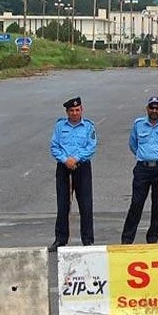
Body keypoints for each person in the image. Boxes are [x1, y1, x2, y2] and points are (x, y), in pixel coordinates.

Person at [121, 96, 158, 244]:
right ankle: (127, 240)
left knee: (157, 205)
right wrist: (143, 156)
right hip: (143, 169)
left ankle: (152, 239)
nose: (154, 110)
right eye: (151, 107)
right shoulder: (139, 124)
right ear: (147, 109)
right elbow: (133, 144)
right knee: (136, 203)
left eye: (157, 108)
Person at [48, 97, 97, 252]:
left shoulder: (88, 126)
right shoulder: (60, 126)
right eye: (71, 111)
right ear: (67, 112)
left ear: (82, 110)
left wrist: (75, 158)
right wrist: (65, 160)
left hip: (82, 167)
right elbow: (54, 146)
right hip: (64, 168)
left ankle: (88, 240)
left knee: (85, 205)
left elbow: (91, 147)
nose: (75, 113)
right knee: (63, 205)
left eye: (77, 110)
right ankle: (60, 239)